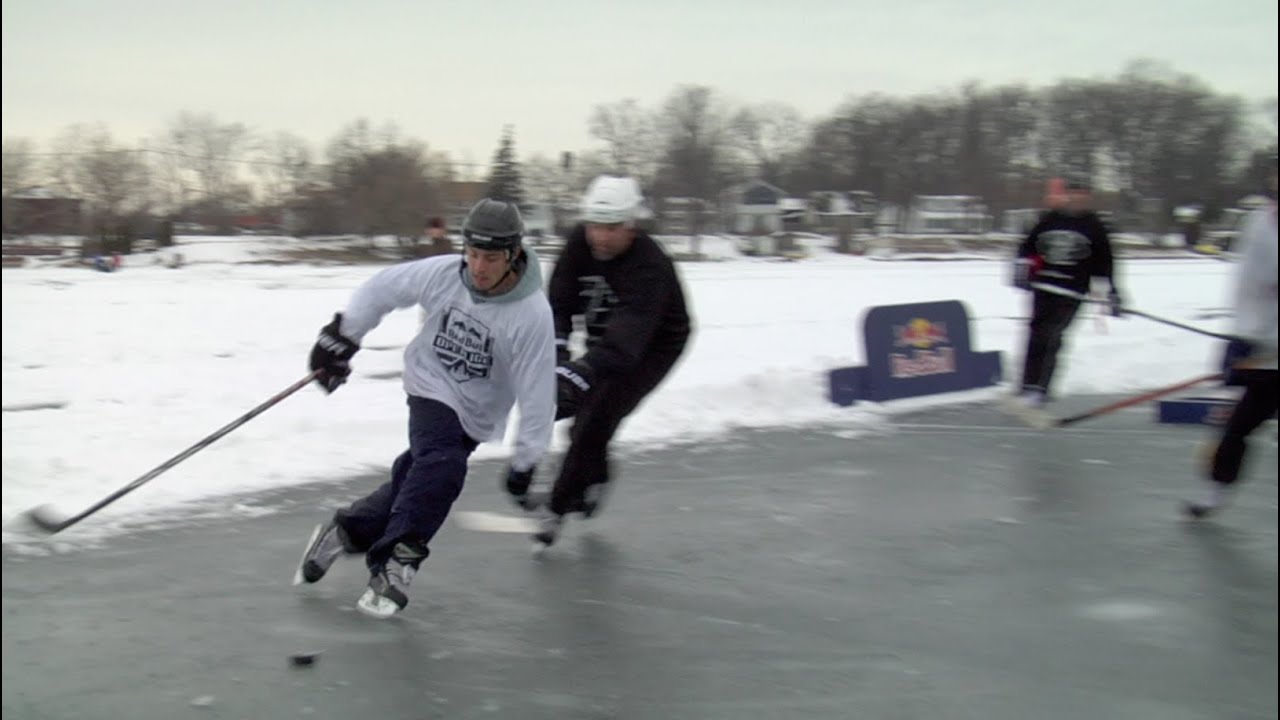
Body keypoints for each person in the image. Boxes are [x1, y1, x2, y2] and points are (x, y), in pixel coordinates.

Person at [295, 198, 556, 618]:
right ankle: (395, 562)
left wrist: (526, 462)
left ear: (513, 255)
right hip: (430, 384)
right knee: (442, 463)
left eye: (490, 257)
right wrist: (342, 337)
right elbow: (383, 288)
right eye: (472, 254)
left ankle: (345, 531)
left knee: (416, 476)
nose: (479, 267)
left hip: (475, 415)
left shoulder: (532, 316)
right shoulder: (443, 274)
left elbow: (538, 394)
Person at [504, 175, 692, 548]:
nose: (601, 237)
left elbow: (625, 344)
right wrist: (556, 359)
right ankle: (595, 476)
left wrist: (579, 372)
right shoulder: (579, 244)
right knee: (580, 420)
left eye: (612, 228)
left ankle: (556, 510)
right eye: (594, 226)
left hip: (652, 345)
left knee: (594, 418)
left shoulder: (649, 266)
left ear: (631, 226)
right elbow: (557, 306)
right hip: (603, 335)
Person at [1186, 157, 1278, 518]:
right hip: (1265, 347)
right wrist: (1240, 338)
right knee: (1239, 427)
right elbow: (1245, 284)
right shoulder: (1258, 221)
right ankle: (1216, 489)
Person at [1009, 178, 1124, 408]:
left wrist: (1112, 293)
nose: (1077, 197)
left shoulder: (1094, 226)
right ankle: (1026, 385)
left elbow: (1106, 263)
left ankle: (1042, 388)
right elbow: (1027, 247)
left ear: (1088, 196)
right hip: (1044, 288)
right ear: (1066, 195)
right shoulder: (1049, 219)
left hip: (1072, 292)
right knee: (1034, 335)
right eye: (1073, 193)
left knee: (1052, 336)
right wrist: (1022, 270)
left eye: (1082, 193)